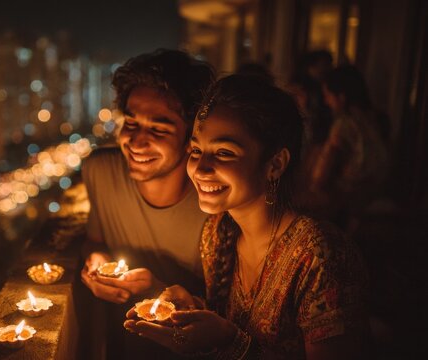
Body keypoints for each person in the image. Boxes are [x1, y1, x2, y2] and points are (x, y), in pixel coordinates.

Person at [124, 74, 370, 359]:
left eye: (225, 152)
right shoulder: (216, 233)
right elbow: (228, 324)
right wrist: (193, 308)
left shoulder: (321, 256)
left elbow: (234, 337)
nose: (201, 169)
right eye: (196, 150)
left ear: (275, 164)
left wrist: (232, 342)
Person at [80, 49, 216, 358]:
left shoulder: (213, 199)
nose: (137, 141)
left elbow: (230, 314)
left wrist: (156, 290)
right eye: (131, 122)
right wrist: (95, 261)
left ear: (190, 137)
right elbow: (93, 241)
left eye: (158, 128)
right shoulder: (100, 172)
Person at [307, 65, 389, 231]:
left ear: (341, 97)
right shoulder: (378, 119)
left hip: (348, 201)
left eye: (328, 96)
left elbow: (321, 175)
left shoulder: (344, 125)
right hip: (379, 194)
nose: (326, 102)